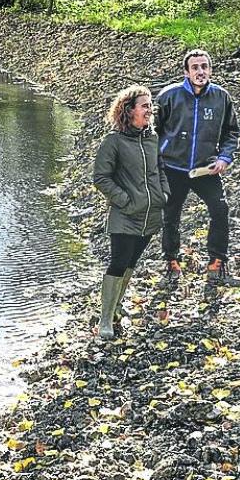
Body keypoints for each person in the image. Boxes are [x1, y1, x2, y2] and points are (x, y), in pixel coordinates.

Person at [154, 49, 240, 285]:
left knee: (220, 210)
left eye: (204, 66)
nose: (200, 71)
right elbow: (153, 131)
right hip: (172, 168)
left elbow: (231, 132)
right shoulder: (169, 96)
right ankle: (171, 262)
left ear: (210, 70)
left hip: (206, 169)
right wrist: (156, 160)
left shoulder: (221, 97)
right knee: (170, 216)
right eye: (195, 67)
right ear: (186, 72)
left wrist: (224, 158)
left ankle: (217, 262)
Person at [92, 85, 169, 341]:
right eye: (145, 106)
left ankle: (115, 308)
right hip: (125, 214)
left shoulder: (152, 138)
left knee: (131, 263)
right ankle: (105, 319)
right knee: (118, 262)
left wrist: (163, 194)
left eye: (150, 106)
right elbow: (101, 178)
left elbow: (160, 168)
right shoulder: (113, 141)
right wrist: (125, 200)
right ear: (129, 110)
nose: (150, 110)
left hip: (150, 214)